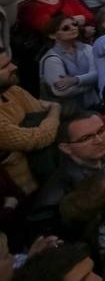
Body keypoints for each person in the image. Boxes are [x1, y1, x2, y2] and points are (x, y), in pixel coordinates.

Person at [0, 46, 61, 199]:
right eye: (5, 66)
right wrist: (55, 109)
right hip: (21, 193)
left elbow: (39, 113)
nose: (14, 67)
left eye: (10, 62)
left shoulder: (13, 90)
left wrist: (48, 116)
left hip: (45, 176)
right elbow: (38, 138)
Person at [39, 16, 100, 113]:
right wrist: (90, 82)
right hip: (68, 113)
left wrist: (75, 80)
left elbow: (98, 73)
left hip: (93, 105)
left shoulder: (87, 48)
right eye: (65, 28)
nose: (73, 28)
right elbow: (61, 91)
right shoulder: (52, 60)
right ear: (52, 35)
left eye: (74, 24)